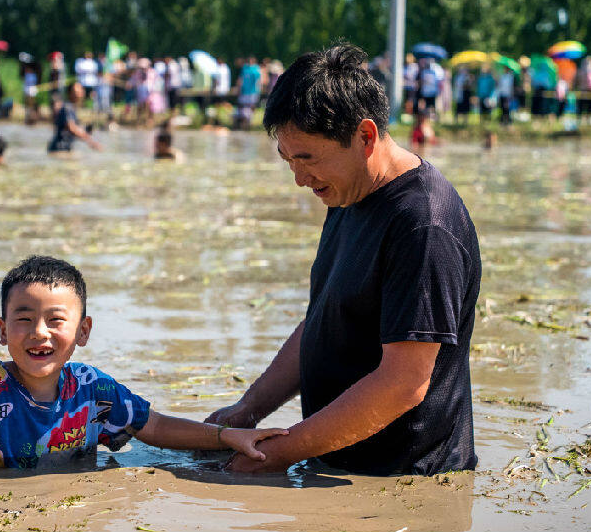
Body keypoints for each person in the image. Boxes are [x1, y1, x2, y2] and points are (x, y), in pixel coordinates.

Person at [206, 44, 481, 476]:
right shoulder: (345, 192)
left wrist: (281, 453)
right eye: (287, 159)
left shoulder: (423, 226)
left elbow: (404, 384)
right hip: (331, 464)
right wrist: (248, 409)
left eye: (307, 158)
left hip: (398, 486)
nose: (299, 178)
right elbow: (325, 319)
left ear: (365, 137)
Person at [0, 256, 286, 486]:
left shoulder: (92, 389)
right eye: (24, 319)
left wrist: (227, 436)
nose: (40, 332)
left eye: (56, 320)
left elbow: (154, 427)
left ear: (82, 331)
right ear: (3, 330)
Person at [48, 83, 103, 153]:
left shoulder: (71, 107)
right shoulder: (67, 107)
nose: (80, 93)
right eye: (77, 92)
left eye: (81, 91)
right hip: (59, 149)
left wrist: (85, 131)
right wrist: (90, 141)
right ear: (70, 93)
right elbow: (72, 128)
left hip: (63, 149)